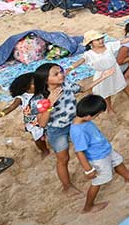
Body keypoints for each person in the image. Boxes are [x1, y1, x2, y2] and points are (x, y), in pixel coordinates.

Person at [30, 63, 117, 195]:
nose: (61, 75)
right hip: (57, 130)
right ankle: (67, 186)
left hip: (75, 124)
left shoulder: (66, 84)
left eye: (61, 71)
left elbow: (82, 89)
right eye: (56, 74)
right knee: (63, 159)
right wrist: (49, 104)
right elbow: (42, 123)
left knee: (86, 148)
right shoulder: (39, 99)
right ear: (46, 80)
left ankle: (96, 168)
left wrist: (103, 77)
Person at [70, 95, 129, 213]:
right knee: (98, 181)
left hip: (105, 149)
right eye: (97, 115)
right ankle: (88, 206)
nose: (97, 117)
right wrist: (89, 170)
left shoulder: (84, 120)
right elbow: (79, 152)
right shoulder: (78, 131)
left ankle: (128, 177)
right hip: (98, 158)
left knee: (118, 161)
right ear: (87, 116)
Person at [69, 30, 129, 114]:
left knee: (123, 85)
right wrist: (70, 68)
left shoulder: (109, 45)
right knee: (105, 91)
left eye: (101, 38)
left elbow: (122, 41)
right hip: (102, 74)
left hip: (114, 69)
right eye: (97, 40)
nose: (101, 41)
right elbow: (81, 60)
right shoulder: (89, 54)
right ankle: (109, 108)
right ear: (90, 43)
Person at [0, 73, 50, 157]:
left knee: (50, 131)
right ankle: (44, 150)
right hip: (33, 122)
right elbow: (12, 107)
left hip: (46, 117)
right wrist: (0, 114)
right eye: (34, 83)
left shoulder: (42, 92)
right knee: (38, 138)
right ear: (26, 87)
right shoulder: (22, 98)